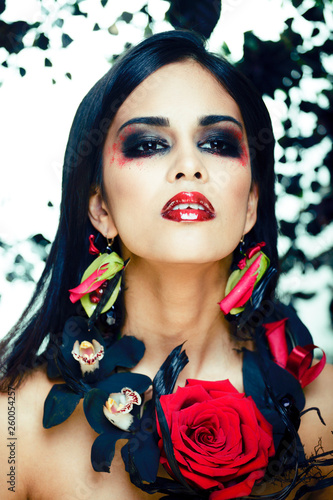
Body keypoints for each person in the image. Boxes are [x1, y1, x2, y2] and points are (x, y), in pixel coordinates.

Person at [0, 30, 332, 500]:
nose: (188, 165)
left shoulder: (325, 409)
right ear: (101, 209)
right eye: (149, 144)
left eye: (217, 143)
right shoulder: (15, 420)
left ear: (252, 205)